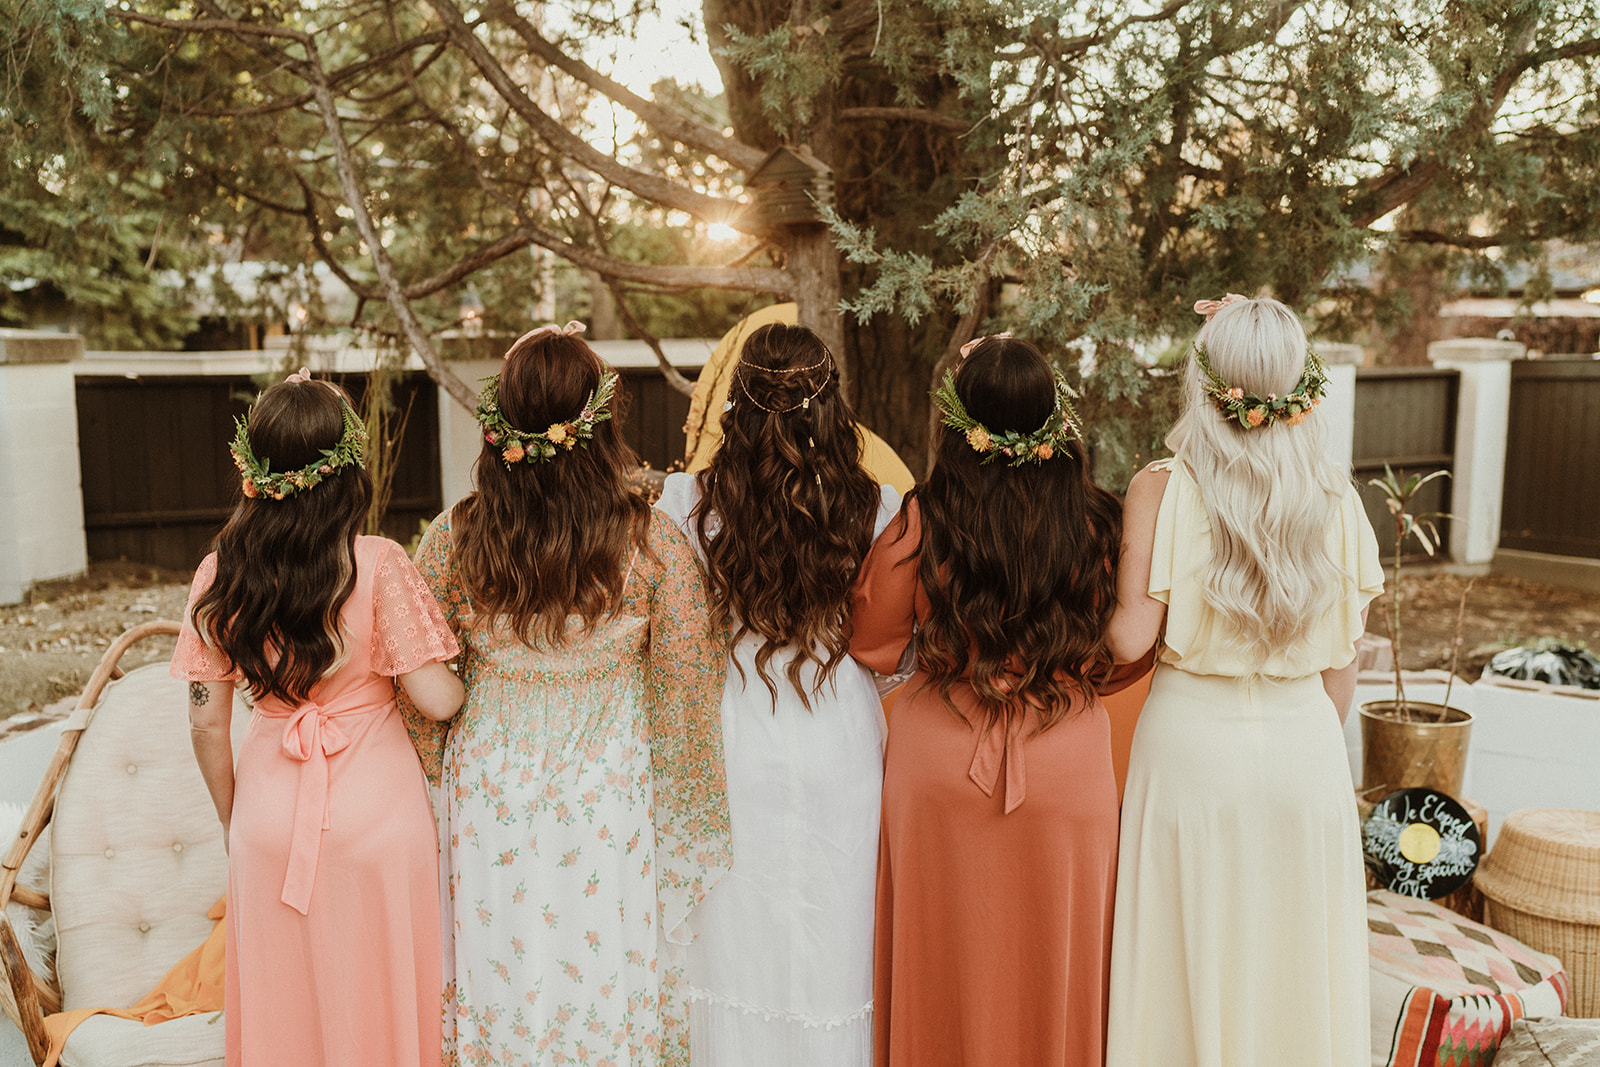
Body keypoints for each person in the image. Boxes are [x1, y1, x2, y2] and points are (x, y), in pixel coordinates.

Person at [401, 322, 732, 1067]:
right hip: (606, 792)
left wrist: (430, 777)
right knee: (604, 975)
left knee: (503, 974)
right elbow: (687, 681)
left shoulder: (456, 537)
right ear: (600, 416)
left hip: (492, 789)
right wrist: (685, 810)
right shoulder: (651, 539)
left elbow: (416, 674)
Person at [850, 335, 1153, 1067]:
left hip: (941, 770)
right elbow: (1128, 653)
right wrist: (1068, 685)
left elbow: (873, 638)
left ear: (957, 423)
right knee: (1059, 966)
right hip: (1065, 767)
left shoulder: (924, 517)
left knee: (940, 963)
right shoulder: (1096, 519)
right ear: (1056, 419)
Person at [1104, 295, 1383, 1067]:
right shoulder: (1334, 494)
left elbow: (1129, 635)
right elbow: (1344, 661)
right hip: (1304, 748)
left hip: (1190, 751)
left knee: (1183, 955)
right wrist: (1309, 736)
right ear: (1301, 383)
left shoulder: (1160, 487)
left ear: (1203, 380)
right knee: (1295, 959)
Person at [172, 369, 464, 1067]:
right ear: (344, 472)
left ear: (253, 468)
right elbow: (436, 698)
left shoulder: (218, 575)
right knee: (382, 998)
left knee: (286, 1008)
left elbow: (205, 721)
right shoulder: (379, 562)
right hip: (378, 825)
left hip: (269, 820)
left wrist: (234, 817)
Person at [655, 322, 898, 1065]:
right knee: (833, 941)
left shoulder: (682, 501)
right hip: (841, 733)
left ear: (738, 406)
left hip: (735, 734)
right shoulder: (880, 505)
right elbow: (889, 647)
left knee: (738, 947)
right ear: (832, 408)